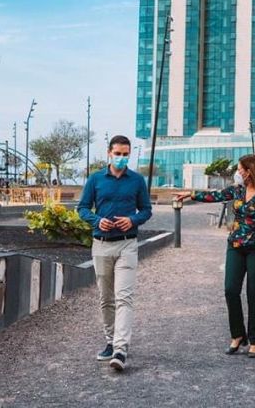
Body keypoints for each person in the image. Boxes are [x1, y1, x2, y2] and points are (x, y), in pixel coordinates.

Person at [175, 154, 255, 358]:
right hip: (235, 245)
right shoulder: (237, 189)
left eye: (241, 169)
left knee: (254, 293)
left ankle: (254, 340)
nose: (238, 172)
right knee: (230, 289)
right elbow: (215, 196)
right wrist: (190, 194)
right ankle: (237, 335)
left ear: (250, 171)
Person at [77, 135, 152, 372]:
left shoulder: (137, 180)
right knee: (106, 298)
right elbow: (82, 208)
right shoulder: (96, 179)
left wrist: (133, 220)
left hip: (127, 245)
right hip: (101, 244)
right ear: (109, 153)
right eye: (118, 153)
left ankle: (121, 348)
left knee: (124, 297)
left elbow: (146, 210)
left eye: (125, 154)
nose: (121, 158)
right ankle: (110, 341)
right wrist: (97, 220)